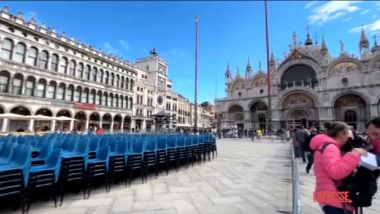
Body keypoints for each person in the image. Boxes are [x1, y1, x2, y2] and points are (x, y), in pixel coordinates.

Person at [310, 121, 367, 214]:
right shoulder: (330, 147)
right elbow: (336, 172)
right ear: (341, 133)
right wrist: (353, 155)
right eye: (349, 134)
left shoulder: (327, 146)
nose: (349, 137)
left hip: (329, 195)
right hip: (334, 198)